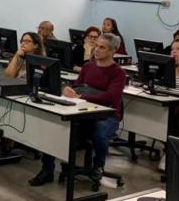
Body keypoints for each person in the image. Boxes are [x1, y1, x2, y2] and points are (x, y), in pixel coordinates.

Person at [30, 33, 126, 186]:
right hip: (83, 111)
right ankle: (47, 169)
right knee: (55, 129)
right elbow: (77, 85)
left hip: (108, 116)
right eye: (97, 46)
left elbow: (110, 97)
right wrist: (68, 90)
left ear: (112, 51)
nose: (97, 49)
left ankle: (98, 166)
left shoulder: (118, 72)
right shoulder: (88, 66)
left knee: (100, 134)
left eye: (102, 47)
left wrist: (81, 97)